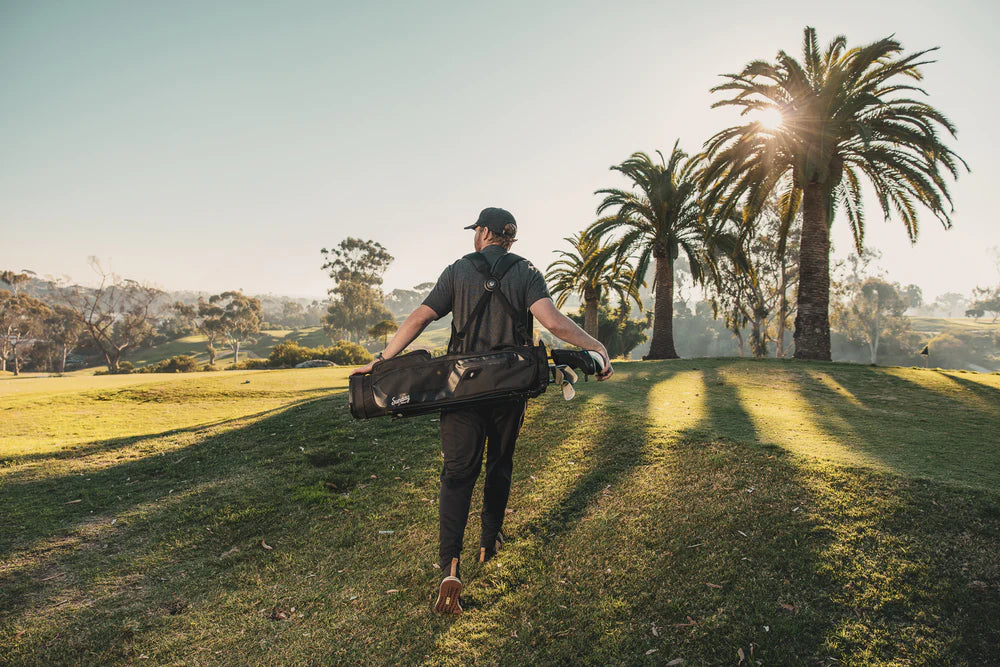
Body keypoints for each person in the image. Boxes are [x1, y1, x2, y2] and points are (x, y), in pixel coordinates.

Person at [350, 207, 613, 614]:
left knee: (457, 475)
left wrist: (383, 360)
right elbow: (553, 322)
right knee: (500, 464)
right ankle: (489, 543)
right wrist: (595, 345)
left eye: (477, 231)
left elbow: (421, 317)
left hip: (461, 391)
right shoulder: (525, 270)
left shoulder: (458, 270)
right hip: (510, 389)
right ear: (510, 239)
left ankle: (450, 566)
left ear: (484, 232)